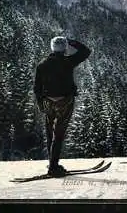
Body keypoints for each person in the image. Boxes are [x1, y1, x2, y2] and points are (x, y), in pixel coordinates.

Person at [33, 36, 91, 176]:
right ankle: (53, 167)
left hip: (48, 102)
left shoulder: (42, 64)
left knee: (49, 133)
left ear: (52, 47)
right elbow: (86, 51)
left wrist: (41, 104)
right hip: (65, 102)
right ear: (64, 48)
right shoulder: (68, 62)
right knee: (58, 135)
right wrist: (71, 41)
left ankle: (52, 162)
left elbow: (37, 88)